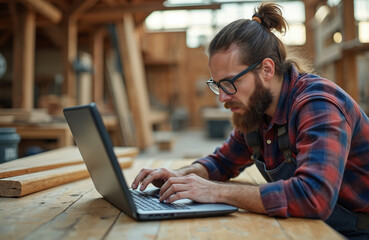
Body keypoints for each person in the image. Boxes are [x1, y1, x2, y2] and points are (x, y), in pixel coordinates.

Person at [132, 2, 369, 239]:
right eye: (217, 85)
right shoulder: (256, 111)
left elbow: (313, 197)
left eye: (230, 83)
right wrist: (180, 176)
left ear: (266, 69)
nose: (223, 97)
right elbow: (222, 162)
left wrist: (215, 192)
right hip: (314, 226)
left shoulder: (318, 105)